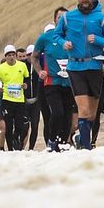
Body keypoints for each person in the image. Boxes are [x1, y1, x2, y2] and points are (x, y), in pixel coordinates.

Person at [55, 0, 104, 150]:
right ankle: (86, 148)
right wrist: (63, 43)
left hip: (95, 66)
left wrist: (98, 39)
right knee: (83, 109)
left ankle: (81, 138)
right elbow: (57, 35)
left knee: (91, 114)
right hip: (75, 67)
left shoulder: (102, 18)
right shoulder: (68, 18)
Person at [33, 8, 73, 150]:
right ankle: (51, 140)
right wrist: (39, 71)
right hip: (51, 82)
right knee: (57, 112)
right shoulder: (46, 37)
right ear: (55, 20)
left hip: (69, 82)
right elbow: (34, 56)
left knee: (68, 116)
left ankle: (62, 143)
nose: (62, 20)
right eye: (59, 17)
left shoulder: (74, 36)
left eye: (64, 18)